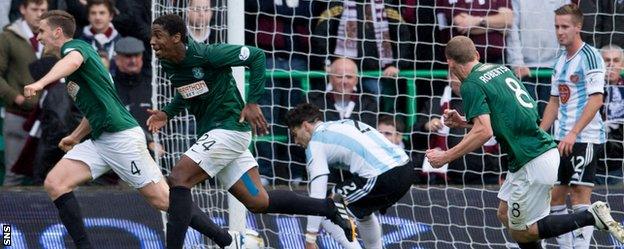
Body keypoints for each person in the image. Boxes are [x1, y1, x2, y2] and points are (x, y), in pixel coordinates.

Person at [23, 10, 234, 249]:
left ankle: (226, 240)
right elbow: (97, 111)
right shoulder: (74, 68)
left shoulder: (75, 49)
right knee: (55, 183)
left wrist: (40, 83)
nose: (37, 36)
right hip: (102, 140)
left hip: (122, 138)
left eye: (41, 31)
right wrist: (75, 136)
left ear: (57, 32)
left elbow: (72, 60)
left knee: (163, 199)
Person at [146, 14, 356, 249]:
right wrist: (168, 113)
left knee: (178, 179)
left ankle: (205, 243)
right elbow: (189, 89)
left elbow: (256, 56)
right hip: (215, 133)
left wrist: (253, 102)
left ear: (176, 37)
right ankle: (328, 207)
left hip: (229, 129)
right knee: (258, 201)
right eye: (152, 35)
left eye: (158, 36)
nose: (152, 41)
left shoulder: (208, 54)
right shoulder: (167, 62)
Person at [425, 35, 624, 249]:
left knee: (524, 230)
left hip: (532, 160)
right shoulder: (500, 70)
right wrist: (465, 122)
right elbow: (510, 117)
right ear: (477, 54)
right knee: (505, 214)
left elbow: (484, 132)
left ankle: (590, 217)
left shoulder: (470, 84)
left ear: (450, 62)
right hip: (532, 155)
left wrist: (446, 156)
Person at [285, 103, 414, 249]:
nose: (295, 142)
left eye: (295, 135)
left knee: (328, 208)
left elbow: (317, 196)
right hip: (406, 167)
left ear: (306, 126)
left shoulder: (316, 143)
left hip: (384, 175)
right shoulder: (343, 124)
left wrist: (310, 238)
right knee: (362, 211)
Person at [539, 4, 607, 248]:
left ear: (578, 27)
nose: (559, 32)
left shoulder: (590, 56)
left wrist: (574, 132)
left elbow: (597, 99)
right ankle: (567, 246)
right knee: (555, 196)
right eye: (556, 26)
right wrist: (540, 133)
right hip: (562, 138)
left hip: (585, 138)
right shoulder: (559, 59)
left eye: (565, 26)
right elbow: (555, 100)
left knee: (579, 195)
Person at [0, 0, 47, 185]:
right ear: (22, 9)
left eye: (43, 10)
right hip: (18, 116)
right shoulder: (8, 37)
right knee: (14, 176)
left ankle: (46, 215)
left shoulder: (52, 37)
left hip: (47, 118)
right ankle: (8, 215)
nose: (39, 14)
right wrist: (16, 98)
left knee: (47, 177)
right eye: (34, 9)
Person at [308, 57, 378, 127]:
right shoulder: (313, 101)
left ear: (356, 80)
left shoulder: (369, 103)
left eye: (349, 77)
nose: (344, 81)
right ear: (330, 79)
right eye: (339, 76)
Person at [598, 44, 624, 185]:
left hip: (618, 166)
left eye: (616, 60)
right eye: (607, 60)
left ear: (622, 64)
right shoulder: (588, 89)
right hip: (591, 163)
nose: (611, 65)